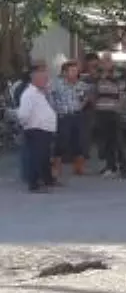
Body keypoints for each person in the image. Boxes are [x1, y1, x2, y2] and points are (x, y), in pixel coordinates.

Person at [17, 62, 58, 193]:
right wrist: (28, 125)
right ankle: (33, 184)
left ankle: (48, 180)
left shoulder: (40, 93)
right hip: (36, 129)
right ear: (36, 80)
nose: (47, 82)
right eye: (44, 79)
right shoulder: (29, 94)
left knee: (45, 157)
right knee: (37, 157)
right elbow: (23, 114)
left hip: (44, 130)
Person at [50, 60, 88, 177]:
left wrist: (82, 105)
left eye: (76, 71)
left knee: (79, 141)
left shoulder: (81, 84)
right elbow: (51, 97)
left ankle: (79, 167)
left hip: (77, 115)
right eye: (72, 71)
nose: (75, 73)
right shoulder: (57, 84)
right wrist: (56, 109)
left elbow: (86, 97)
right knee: (62, 140)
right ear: (65, 72)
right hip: (64, 116)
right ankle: (56, 166)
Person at [92, 54, 126, 179]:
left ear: (111, 62)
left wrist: (119, 109)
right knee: (105, 141)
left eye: (107, 61)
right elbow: (95, 90)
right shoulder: (98, 75)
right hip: (101, 111)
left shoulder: (117, 75)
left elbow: (122, 93)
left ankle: (124, 169)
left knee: (118, 141)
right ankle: (110, 166)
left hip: (113, 112)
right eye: (102, 61)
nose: (103, 63)